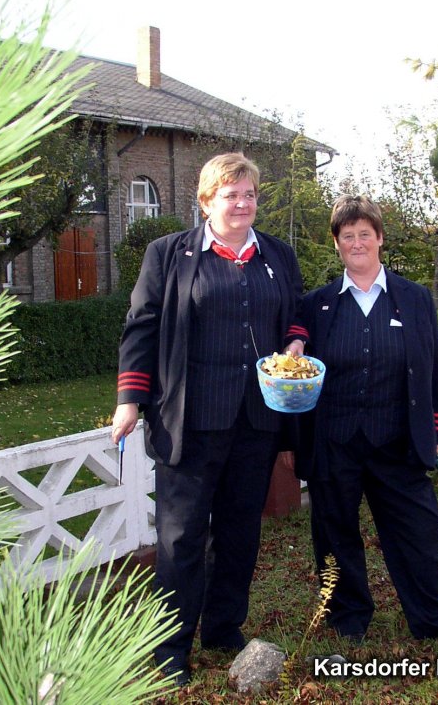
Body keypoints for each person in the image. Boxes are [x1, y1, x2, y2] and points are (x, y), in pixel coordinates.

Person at [111, 153, 308, 686]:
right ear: (206, 201)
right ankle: (170, 647)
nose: (242, 204)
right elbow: (141, 327)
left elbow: (296, 312)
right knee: (180, 539)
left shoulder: (277, 256)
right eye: (230, 195)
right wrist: (130, 399)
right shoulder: (168, 255)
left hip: (254, 421)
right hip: (189, 422)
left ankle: (224, 627)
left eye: (249, 194)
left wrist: (294, 341)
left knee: (240, 531)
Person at [295, 194, 438, 647]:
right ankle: (348, 618)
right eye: (348, 236)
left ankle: (435, 620)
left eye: (365, 233)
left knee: (418, 533)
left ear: (380, 238)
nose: (357, 242)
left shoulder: (415, 299)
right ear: (337, 245)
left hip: (398, 441)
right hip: (334, 442)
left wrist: (435, 431)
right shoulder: (316, 306)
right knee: (335, 534)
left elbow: (434, 368)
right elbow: (296, 357)